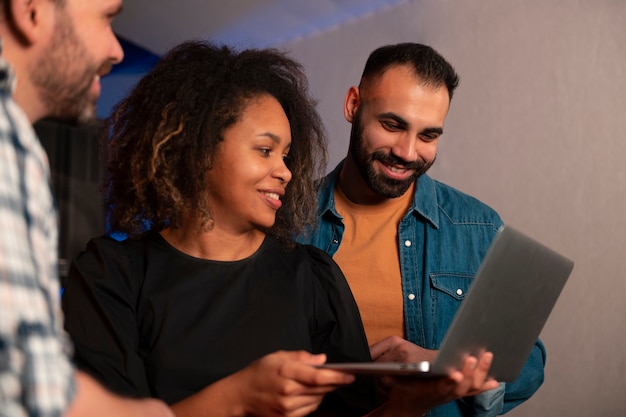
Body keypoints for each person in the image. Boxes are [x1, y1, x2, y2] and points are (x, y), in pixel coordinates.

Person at [61, 40, 499, 417]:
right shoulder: (110, 275)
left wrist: (413, 404)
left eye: (287, 156)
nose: (286, 173)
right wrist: (237, 397)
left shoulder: (313, 275)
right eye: (266, 150)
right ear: (196, 148)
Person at [298, 43, 547, 417]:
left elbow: (528, 364)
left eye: (428, 136)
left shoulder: (478, 226)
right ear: (353, 105)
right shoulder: (288, 221)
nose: (408, 152)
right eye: (392, 125)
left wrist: (438, 366)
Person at [0, 0, 174, 416]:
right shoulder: (9, 143)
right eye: (107, 17)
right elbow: (35, 393)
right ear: (32, 11)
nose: (117, 49)